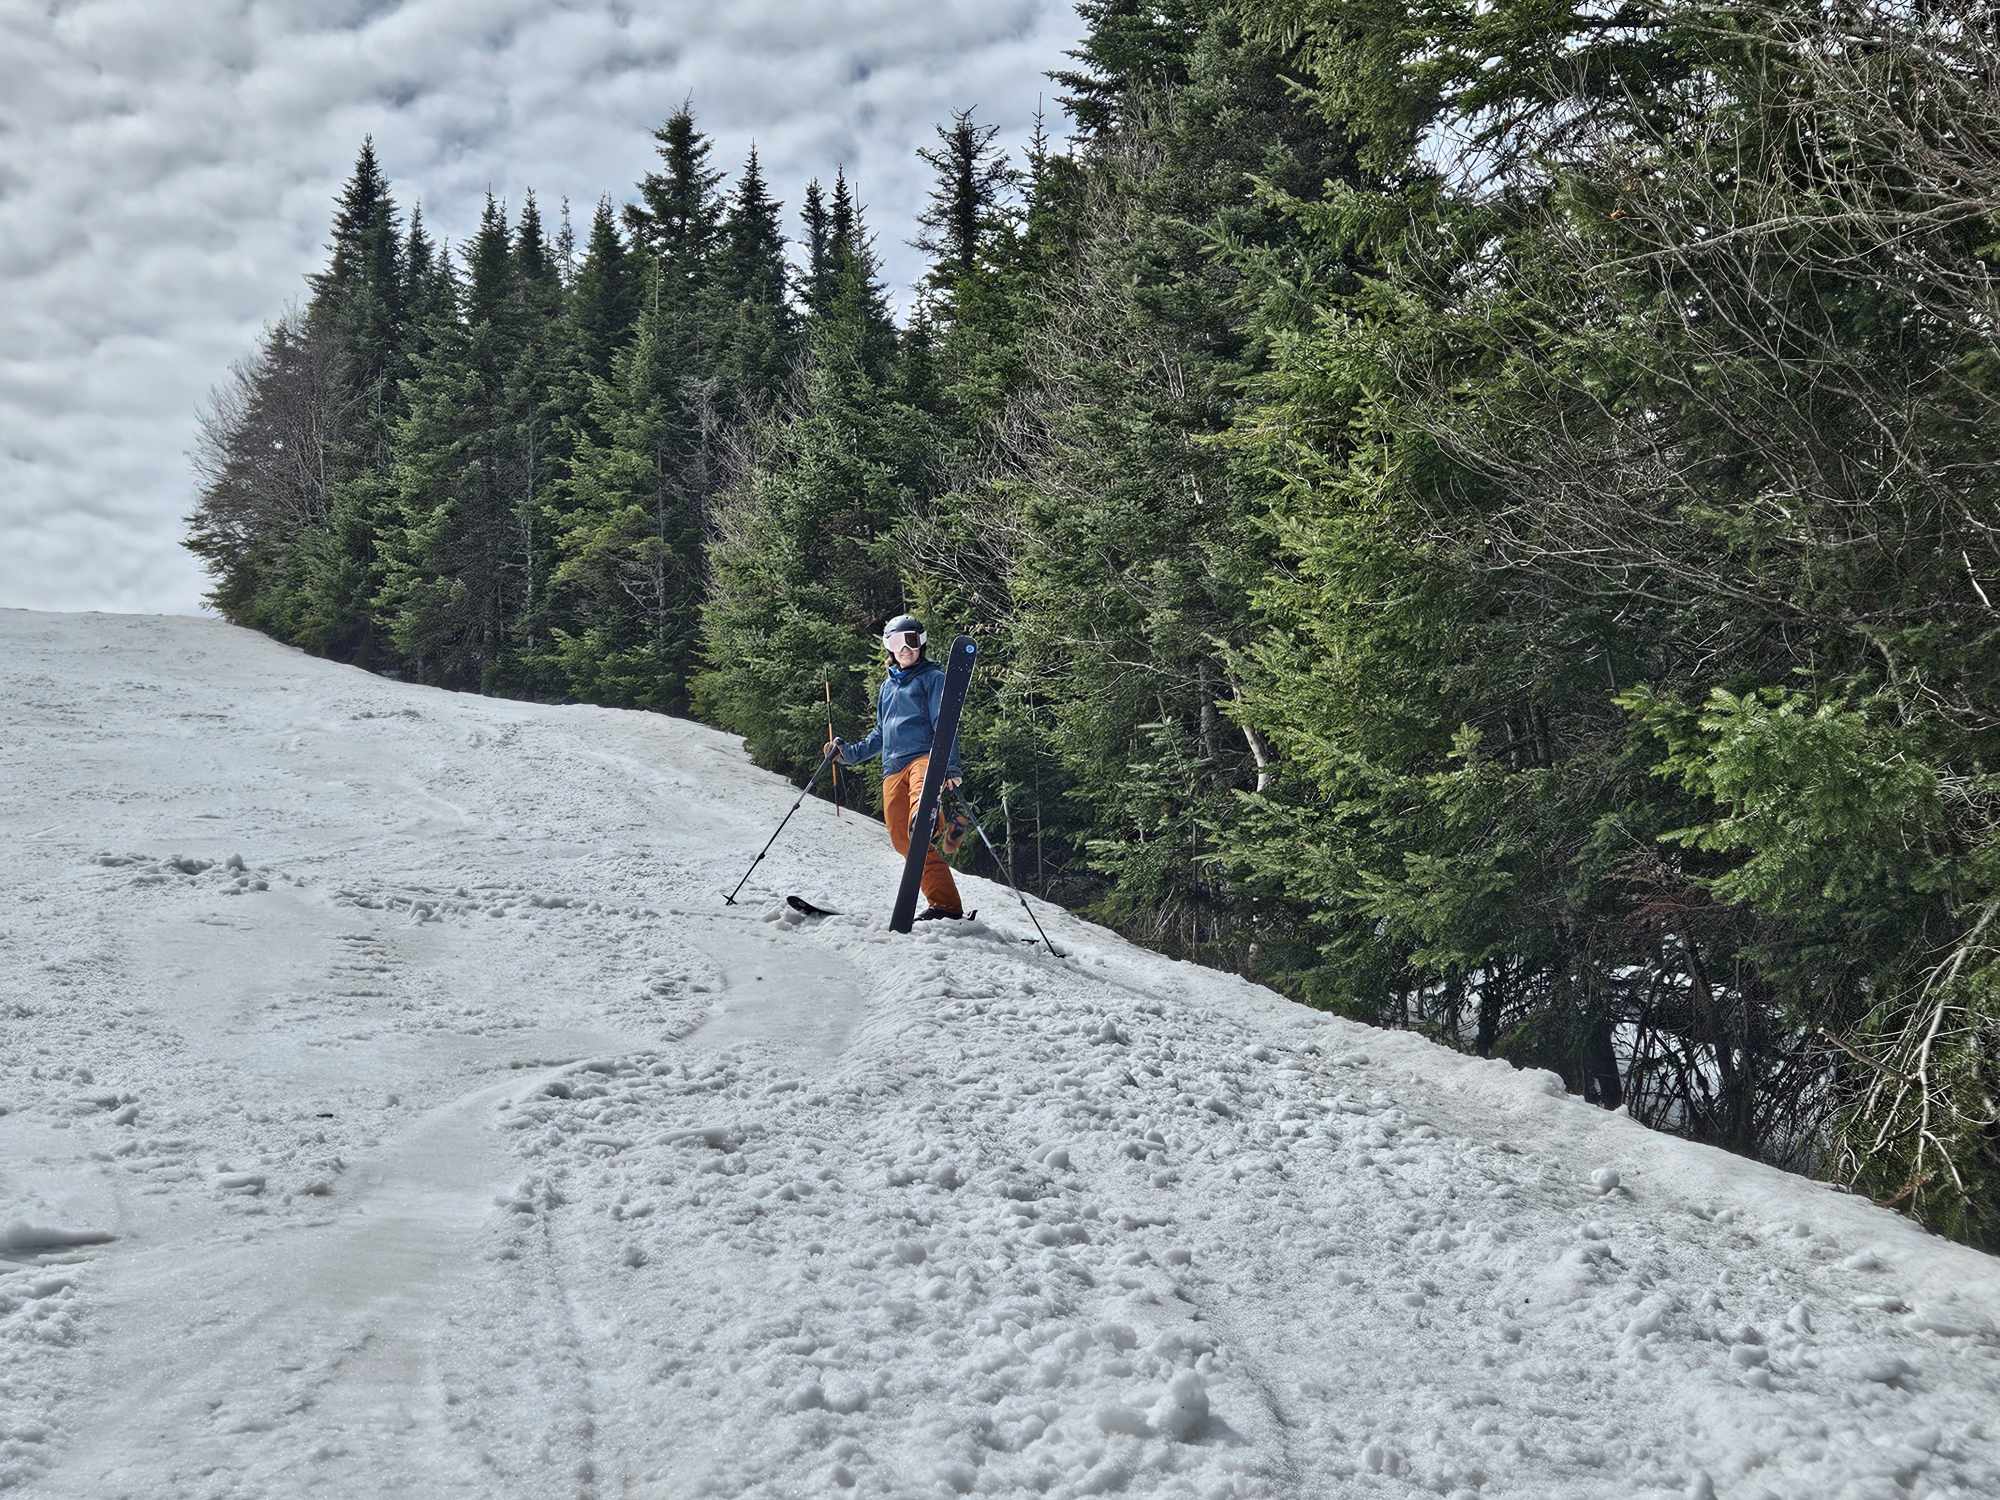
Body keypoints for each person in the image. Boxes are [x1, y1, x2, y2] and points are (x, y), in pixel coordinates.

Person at [825, 615, 969, 921]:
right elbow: (880, 734)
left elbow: (945, 725)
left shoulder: (933, 678)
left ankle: (927, 817)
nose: (904, 649)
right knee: (903, 841)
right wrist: (847, 754)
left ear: (922, 643)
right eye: (896, 642)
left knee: (923, 787)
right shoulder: (886, 688)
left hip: (924, 756)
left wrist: (950, 766)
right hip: (892, 766)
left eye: (911, 641)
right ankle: (945, 905)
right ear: (888, 647)